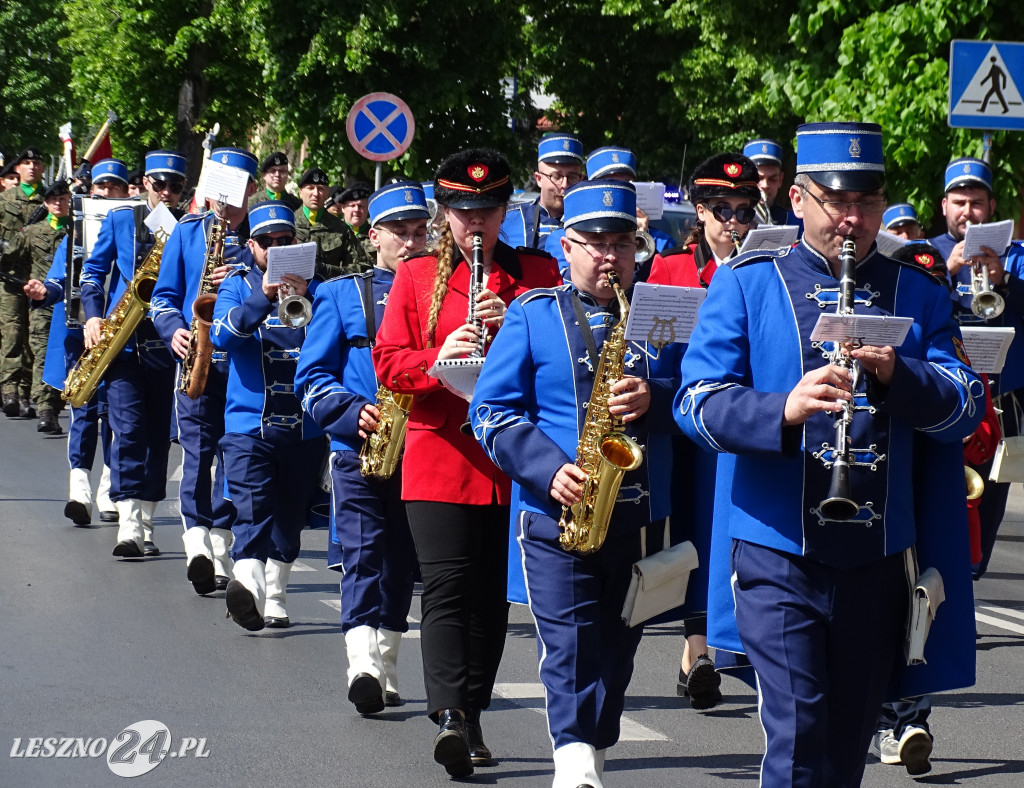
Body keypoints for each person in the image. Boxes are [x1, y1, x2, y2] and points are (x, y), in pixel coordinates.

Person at [678, 121, 983, 786]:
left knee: (846, 747)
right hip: (776, 550)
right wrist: (781, 409)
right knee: (799, 729)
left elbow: (966, 403)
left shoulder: (921, 292)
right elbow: (696, 401)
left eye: (868, 204)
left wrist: (901, 376)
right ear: (797, 199)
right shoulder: (747, 282)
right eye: (836, 202)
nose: (853, 219)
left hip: (877, 557)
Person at [471, 179, 682, 788]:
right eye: (595, 243)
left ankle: (594, 744)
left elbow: (700, 400)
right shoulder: (533, 314)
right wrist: (547, 468)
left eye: (621, 243)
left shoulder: (664, 313)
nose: (610, 256)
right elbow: (491, 413)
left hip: (641, 513)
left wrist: (658, 398)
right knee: (569, 646)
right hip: (556, 511)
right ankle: (574, 763)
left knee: (618, 653)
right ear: (567, 246)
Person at [373, 148, 561, 778]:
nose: (474, 224)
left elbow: (558, 361)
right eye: (462, 211)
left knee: (491, 599)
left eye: (487, 210)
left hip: (512, 462)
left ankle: (473, 712)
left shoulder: (535, 272)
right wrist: (437, 356)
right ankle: (450, 715)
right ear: (444, 211)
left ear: (506, 210)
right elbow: (388, 365)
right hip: (441, 456)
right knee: (448, 588)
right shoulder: (416, 275)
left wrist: (515, 333)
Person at [295, 181, 427, 713]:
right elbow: (312, 378)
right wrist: (354, 412)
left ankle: (388, 664)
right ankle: (362, 663)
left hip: (423, 448)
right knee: (363, 551)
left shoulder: (444, 294)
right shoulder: (341, 293)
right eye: (400, 233)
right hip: (360, 447)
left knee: (403, 561)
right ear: (374, 236)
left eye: (421, 232)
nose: (412, 242)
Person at [644, 152, 762, 711]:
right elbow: (649, 353)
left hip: (740, 419)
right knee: (695, 533)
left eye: (743, 210)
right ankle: (699, 649)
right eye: (721, 210)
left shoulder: (764, 268)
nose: (732, 222)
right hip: (681, 422)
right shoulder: (669, 269)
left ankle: (730, 642)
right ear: (700, 212)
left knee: (736, 534)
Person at [209, 201, 326, 630]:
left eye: (285, 241)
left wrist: (307, 296)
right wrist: (263, 297)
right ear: (251, 245)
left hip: (304, 425)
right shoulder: (238, 285)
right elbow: (222, 335)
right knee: (252, 506)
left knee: (291, 516)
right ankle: (247, 585)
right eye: (267, 243)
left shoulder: (321, 288)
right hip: (249, 422)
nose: (275, 248)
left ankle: (274, 594)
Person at [152, 146, 258, 593]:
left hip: (245, 367)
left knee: (234, 459)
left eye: (235, 191)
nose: (224, 202)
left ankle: (219, 541)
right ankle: (197, 542)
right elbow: (162, 297)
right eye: (218, 190)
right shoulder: (188, 232)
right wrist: (173, 329)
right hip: (196, 360)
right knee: (196, 455)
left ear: (251, 189)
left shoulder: (268, 234)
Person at [81, 153, 185, 558]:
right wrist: (93, 317)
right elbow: (92, 273)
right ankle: (127, 523)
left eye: (176, 187)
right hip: (122, 345)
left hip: (165, 348)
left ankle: (146, 520)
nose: (167, 193)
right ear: (144, 183)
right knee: (127, 430)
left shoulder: (187, 228)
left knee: (159, 435)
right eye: (160, 185)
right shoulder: (122, 219)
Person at [928, 157, 1022, 579]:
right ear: (944, 205)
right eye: (960, 202)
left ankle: (969, 582)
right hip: (943, 399)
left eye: (977, 202)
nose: (968, 211)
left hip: (998, 409)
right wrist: (946, 275)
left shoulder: (1016, 260)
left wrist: (1003, 283)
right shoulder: (924, 256)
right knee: (935, 509)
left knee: (989, 512)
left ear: (992, 206)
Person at [5, 180, 71, 433]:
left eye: (63, 199)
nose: (58, 203)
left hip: (73, 305)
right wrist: (19, 283)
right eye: (54, 200)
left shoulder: (78, 231)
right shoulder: (32, 232)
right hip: (43, 304)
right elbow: (8, 258)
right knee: (43, 353)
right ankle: (47, 410)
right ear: (45, 203)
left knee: (67, 355)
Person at [545, 146, 673, 277]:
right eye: (608, 182)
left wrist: (640, 242)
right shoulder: (564, 237)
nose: (617, 191)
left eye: (626, 183)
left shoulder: (662, 242)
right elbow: (567, 283)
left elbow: (659, 289)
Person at [0, 146, 46, 417]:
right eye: (26, 162)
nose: (31, 167)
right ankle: (9, 390)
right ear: (17, 169)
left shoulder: (48, 201)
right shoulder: (4, 200)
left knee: (33, 336)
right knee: (12, 334)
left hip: (38, 278)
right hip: (8, 277)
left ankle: (26, 393)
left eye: (36, 162)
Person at [500, 133, 584, 250]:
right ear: (539, 179)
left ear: (581, 179)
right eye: (556, 176)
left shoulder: (589, 224)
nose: (564, 185)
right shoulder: (507, 219)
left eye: (572, 176)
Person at [293, 168, 368, 279]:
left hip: (330, 291)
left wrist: (329, 270)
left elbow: (363, 267)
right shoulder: (289, 224)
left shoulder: (340, 228)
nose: (316, 194)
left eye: (320, 189)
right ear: (300, 193)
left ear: (327, 193)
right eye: (310, 188)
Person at [743, 138, 789, 225]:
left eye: (773, 179)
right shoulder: (731, 219)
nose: (765, 185)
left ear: (780, 180)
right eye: (758, 178)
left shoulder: (792, 219)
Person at [331, 182, 375, 265]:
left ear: (367, 209)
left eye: (361, 206)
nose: (356, 210)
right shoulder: (332, 233)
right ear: (343, 208)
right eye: (352, 206)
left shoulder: (376, 235)